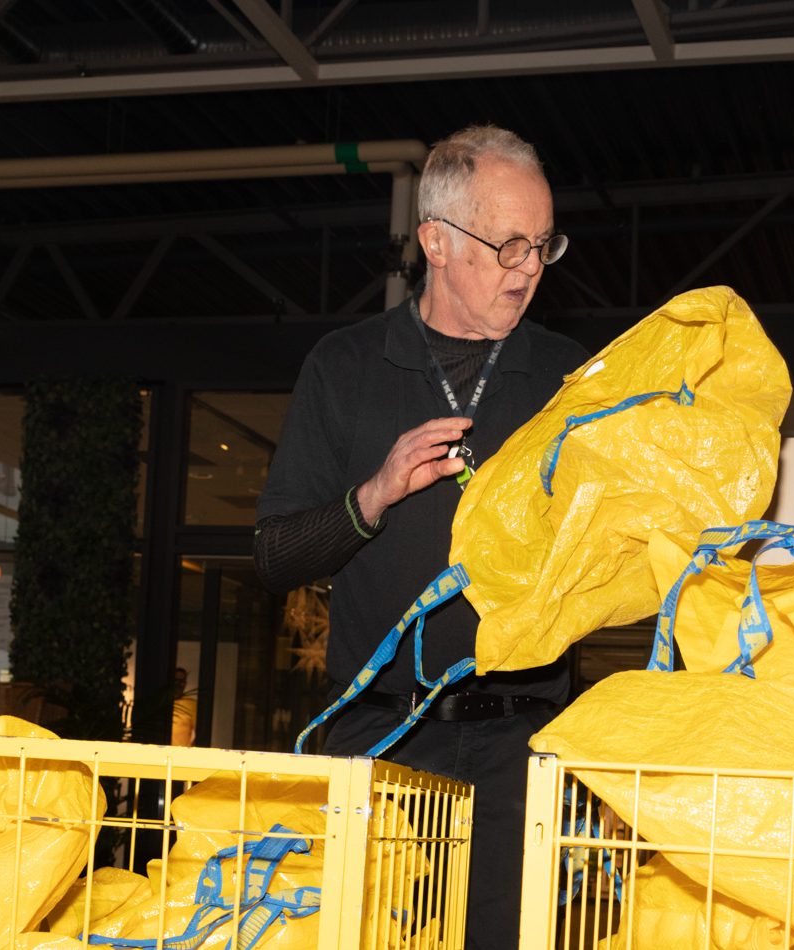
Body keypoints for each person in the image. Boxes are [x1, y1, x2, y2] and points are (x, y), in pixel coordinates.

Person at [252, 124, 588, 949]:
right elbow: (274, 555)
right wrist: (370, 497)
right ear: (435, 240)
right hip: (383, 738)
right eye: (508, 245)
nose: (529, 270)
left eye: (543, 245)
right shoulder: (345, 366)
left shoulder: (570, 378)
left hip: (529, 744)